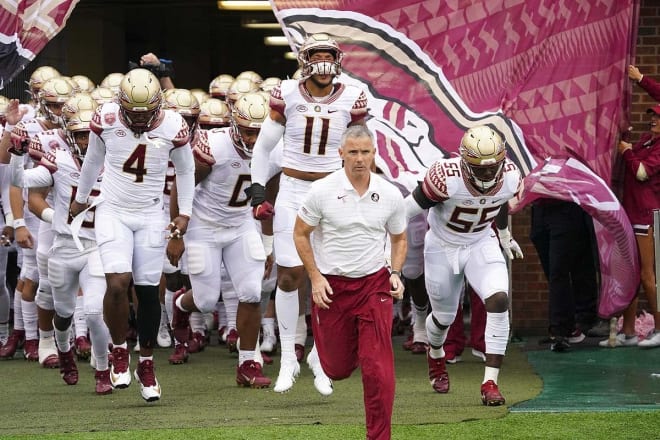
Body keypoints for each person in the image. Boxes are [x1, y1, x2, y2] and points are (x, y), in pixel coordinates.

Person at [248, 33, 368, 394]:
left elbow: (362, 149)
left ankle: (320, 355)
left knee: (333, 276)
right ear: (304, 60)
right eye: (316, 56)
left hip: (334, 190)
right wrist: (257, 190)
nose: (323, 63)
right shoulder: (286, 93)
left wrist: (361, 190)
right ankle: (288, 357)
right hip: (294, 188)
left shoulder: (353, 94)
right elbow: (263, 147)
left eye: (327, 55)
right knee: (289, 277)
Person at [69, 68, 195, 402]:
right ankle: (121, 349)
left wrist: (185, 214)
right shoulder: (107, 117)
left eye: (145, 113)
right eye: (132, 113)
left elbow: (185, 170)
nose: (138, 120)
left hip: (151, 213)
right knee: (116, 283)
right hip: (113, 209)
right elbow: (93, 159)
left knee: (149, 293)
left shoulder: (173, 124)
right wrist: (81, 199)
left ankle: (147, 362)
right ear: (120, 103)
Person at [293, 124, 407, 440]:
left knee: (378, 368)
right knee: (337, 369)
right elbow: (300, 233)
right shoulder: (322, 191)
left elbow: (399, 239)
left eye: (365, 152)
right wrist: (315, 278)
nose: (359, 159)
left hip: (374, 286)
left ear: (374, 154)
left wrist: (395, 273)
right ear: (341, 153)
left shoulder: (389, 193)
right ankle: (353, 344)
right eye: (353, 152)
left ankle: (380, 436)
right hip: (332, 288)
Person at [404, 125, 523, 406]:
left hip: (481, 242)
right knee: (443, 318)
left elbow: (500, 200)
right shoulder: (446, 177)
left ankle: (490, 382)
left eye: (492, 167)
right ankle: (436, 354)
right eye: (479, 169)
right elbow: (406, 210)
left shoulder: (509, 176)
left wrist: (504, 235)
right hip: (442, 246)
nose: (487, 174)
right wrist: (387, 245)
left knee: (498, 299)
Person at [168, 92, 274, 387]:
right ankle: (180, 307)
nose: (253, 140)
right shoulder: (214, 145)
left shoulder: (275, 146)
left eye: (259, 132)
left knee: (252, 290)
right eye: (248, 131)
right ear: (235, 125)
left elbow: (271, 195)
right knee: (204, 301)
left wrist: (268, 244)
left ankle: (248, 363)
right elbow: (183, 184)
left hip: (241, 225)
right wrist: (177, 232)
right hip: (205, 226)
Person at [9, 93, 113, 394]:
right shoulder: (60, 159)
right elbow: (22, 181)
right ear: (69, 132)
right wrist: (17, 155)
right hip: (64, 247)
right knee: (63, 312)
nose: (84, 141)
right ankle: (65, 350)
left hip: (95, 247)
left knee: (94, 311)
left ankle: (103, 370)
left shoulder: (115, 160)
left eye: (87, 134)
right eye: (79, 135)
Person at [600, 103, 660, 348]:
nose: (653, 120)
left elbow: (642, 172)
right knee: (631, 275)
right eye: (652, 116)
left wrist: (626, 151)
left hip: (647, 216)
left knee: (648, 276)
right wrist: (624, 137)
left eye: (657, 117)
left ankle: (659, 328)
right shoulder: (646, 140)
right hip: (631, 212)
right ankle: (629, 331)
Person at [530, 199, 599, 352]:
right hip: (540, 208)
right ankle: (568, 324)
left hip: (565, 207)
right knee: (552, 271)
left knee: (558, 270)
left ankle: (560, 331)